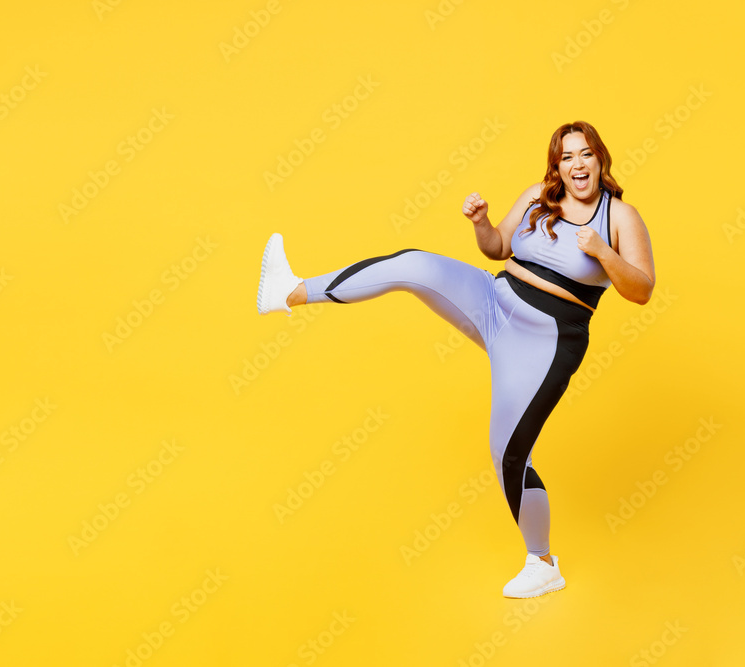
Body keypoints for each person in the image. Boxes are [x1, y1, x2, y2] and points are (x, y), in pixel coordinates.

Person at [256, 120, 655, 598]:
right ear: (557, 164)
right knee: (413, 264)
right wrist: (481, 223)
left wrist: (603, 253)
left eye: (585, 154)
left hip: (545, 340)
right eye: (567, 157)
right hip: (493, 301)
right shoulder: (537, 196)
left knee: (508, 453)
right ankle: (289, 291)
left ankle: (542, 562)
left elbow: (642, 290)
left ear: (599, 159)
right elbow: (497, 249)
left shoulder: (620, 218)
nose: (576, 165)